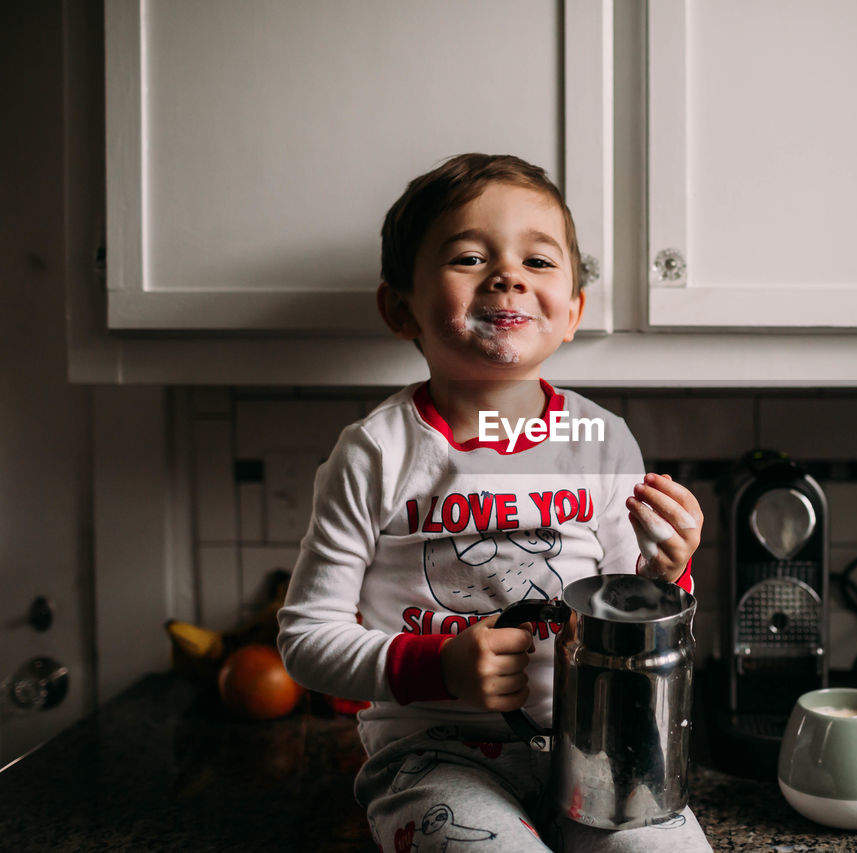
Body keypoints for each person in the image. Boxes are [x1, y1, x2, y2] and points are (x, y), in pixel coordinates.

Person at [276, 153, 713, 853]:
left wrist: (668, 574)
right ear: (399, 306)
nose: (508, 274)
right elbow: (305, 639)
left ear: (571, 312)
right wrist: (439, 665)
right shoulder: (376, 453)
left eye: (538, 262)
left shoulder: (601, 442)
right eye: (471, 256)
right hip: (432, 757)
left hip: (596, 748)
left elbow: (634, 626)